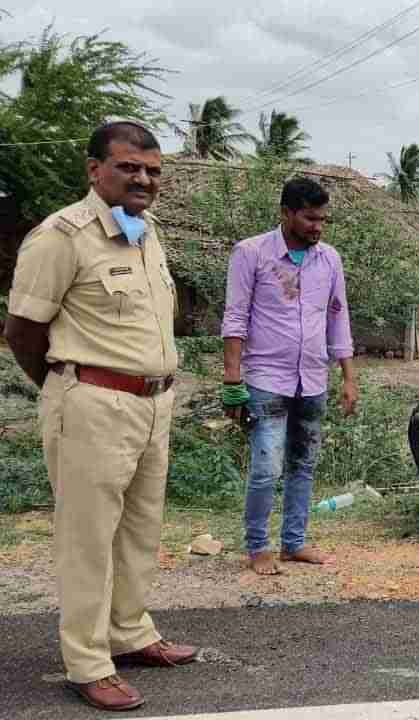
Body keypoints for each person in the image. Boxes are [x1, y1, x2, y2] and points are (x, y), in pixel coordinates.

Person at [4, 121, 199, 711]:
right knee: (87, 538)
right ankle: (87, 661)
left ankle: (130, 631)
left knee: (140, 530)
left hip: (153, 403)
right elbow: (23, 331)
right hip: (91, 403)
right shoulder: (61, 237)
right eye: (129, 167)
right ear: (95, 169)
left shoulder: (147, 234)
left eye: (153, 170)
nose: (144, 179)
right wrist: (69, 391)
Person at [220, 176, 358, 577]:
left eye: (323, 220)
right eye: (310, 218)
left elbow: (338, 317)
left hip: (313, 378)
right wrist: (232, 380)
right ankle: (258, 546)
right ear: (286, 214)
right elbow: (235, 317)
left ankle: (293, 544)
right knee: (266, 466)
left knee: (304, 463)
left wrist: (348, 378)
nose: (318, 227)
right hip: (266, 378)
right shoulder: (251, 253)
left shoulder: (329, 259)